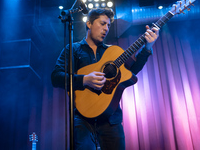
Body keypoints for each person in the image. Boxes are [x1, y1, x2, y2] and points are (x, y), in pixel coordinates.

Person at [51, 8, 159, 150]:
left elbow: (131, 72)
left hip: (111, 119)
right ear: (89, 24)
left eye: (108, 25)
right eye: (102, 23)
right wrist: (84, 80)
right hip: (82, 119)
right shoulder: (73, 49)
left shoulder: (112, 52)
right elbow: (56, 77)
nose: (106, 29)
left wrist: (147, 47)